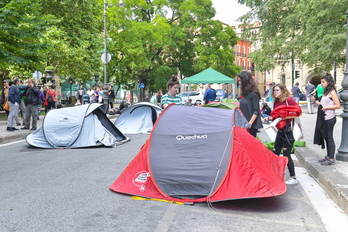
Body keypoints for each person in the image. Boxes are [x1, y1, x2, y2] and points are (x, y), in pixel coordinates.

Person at [270, 84, 300, 185]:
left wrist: (285, 117)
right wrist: (270, 118)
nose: (275, 92)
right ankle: (277, 174)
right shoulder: (276, 102)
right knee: (275, 153)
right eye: (274, 90)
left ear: (283, 91)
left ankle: (293, 177)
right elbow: (275, 115)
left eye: (277, 90)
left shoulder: (289, 100)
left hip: (288, 131)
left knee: (286, 155)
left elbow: (298, 112)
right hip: (280, 131)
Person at [313, 74, 340, 166]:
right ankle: (328, 156)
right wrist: (314, 101)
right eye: (321, 82)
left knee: (329, 138)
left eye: (323, 82)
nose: (321, 84)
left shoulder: (332, 92)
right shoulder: (326, 92)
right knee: (326, 137)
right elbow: (322, 104)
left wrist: (326, 108)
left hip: (330, 118)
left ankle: (331, 158)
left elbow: (338, 105)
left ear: (328, 82)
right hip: (324, 117)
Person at [237, 71, 263, 137]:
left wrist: (250, 123)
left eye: (240, 81)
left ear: (245, 81)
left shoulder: (253, 94)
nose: (239, 83)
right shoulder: (245, 94)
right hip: (244, 123)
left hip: (250, 125)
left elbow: (256, 110)